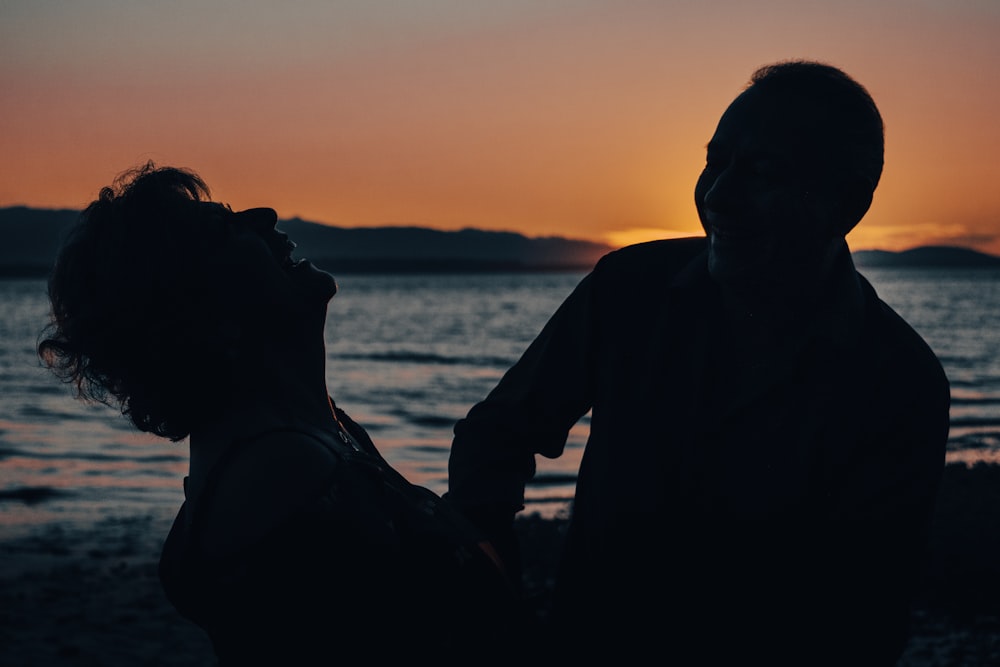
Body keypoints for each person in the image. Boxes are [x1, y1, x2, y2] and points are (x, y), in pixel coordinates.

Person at [447, 60, 951, 664]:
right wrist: (494, 589)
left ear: (846, 204)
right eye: (714, 162)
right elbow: (495, 436)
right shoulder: (628, 289)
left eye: (760, 172)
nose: (718, 196)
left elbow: (865, 613)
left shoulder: (899, 381)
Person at [38, 163, 519, 665]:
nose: (263, 216)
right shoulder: (279, 474)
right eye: (226, 228)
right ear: (197, 309)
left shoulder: (319, 432)